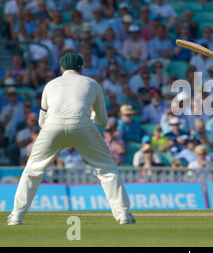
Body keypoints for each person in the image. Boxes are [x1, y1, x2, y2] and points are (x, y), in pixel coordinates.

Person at [7, 53, 134, 225]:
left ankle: (16, 216)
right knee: (107, 169)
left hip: (52, 126)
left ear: (61, 69)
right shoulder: (91, 83)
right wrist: (92, 115)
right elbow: (103, 121)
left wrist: (56, 133)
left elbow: (41, 121)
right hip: (82, 124)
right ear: (81, 69)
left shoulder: (50, 85)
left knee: (32, 170)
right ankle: (123, 215)